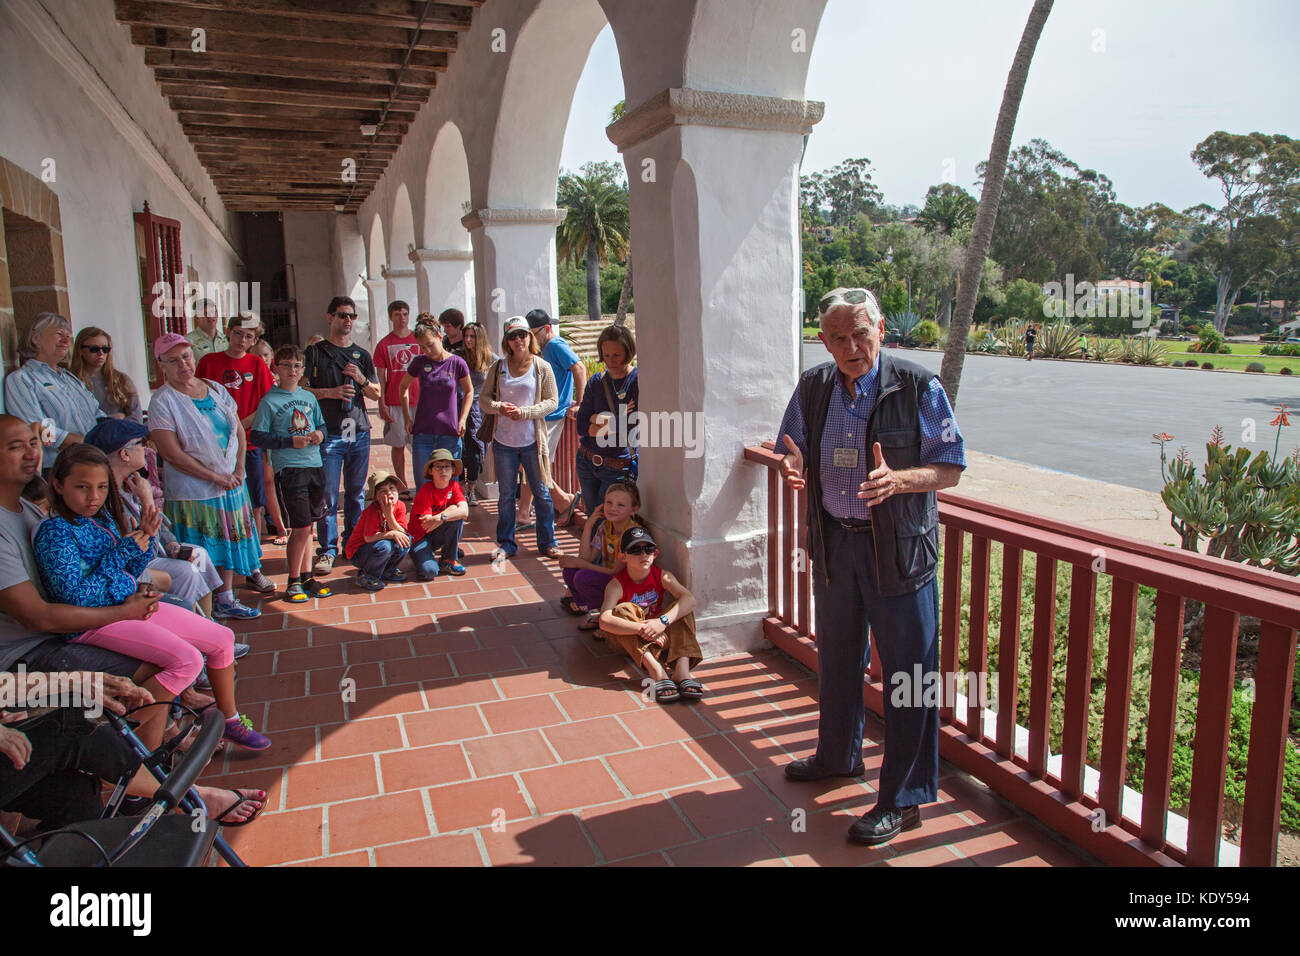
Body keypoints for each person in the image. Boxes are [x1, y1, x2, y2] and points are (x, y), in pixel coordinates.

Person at [775, 286, 965, 847]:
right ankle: (838, 757)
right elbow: (794, 443)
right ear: (823, 339)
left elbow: (950, 466)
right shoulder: (813, 385)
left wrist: (901, 479)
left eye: (860, 332)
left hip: (898, 549)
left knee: (909, 675)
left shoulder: (917, 385)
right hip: (836, 543)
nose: (850, 345)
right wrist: (793, 462)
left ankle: (904, 800)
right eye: (837, 336)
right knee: (836, 659)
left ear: (881, 328)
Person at [32, 443, 270, 752]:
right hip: (94, 623)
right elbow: (74, 595)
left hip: (125, 607)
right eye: (82, 487)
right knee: (186, 660)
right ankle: (138, 754)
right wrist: (124, 554)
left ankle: (229, 718)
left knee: (221, 637)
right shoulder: (56, 532)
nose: (93, 496)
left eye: (102, 487)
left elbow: (130, 570)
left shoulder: (99, 520)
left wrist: (145, 537)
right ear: (58, 484)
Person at [147, 334, 264, 621]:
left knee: (228, 539)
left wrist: (237, 470)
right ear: (161, 365)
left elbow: (237, 429)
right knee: (204, 543)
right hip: (194, 490)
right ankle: (203, 608)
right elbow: (171, 453)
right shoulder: (163, 401)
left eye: (186, 356)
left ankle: (225, 597)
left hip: (231, 482)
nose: (182, 364)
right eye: (173, 360)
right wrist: (214, 477)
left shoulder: (213, 388)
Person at [85, 418, 223, 618]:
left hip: (150, 555)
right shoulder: (104, 496)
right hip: (132, 564)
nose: (146, 446)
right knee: (186, 573)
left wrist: (173, 545)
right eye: (140, 443)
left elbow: (159, 530)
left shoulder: (131, 483)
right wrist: (148, 499)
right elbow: (139, 541)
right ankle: (187, 627)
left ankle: (209, 625)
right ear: (124, 454)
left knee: (199, 555)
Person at [196, 313, 277, 593]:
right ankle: (221, 569)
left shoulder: (256, 363)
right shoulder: (209, 362)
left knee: (252, 504)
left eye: (250, 336)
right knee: (219, 507)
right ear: (228, 333)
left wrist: (240, 427)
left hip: (249, 444)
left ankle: (252, 564)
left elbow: (267, 400)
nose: (243, 340)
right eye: (239, 334)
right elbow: (197, 398)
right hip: (214, 448)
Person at [303, 297, 381, 576]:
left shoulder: (362, 354)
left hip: (357, 430)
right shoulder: (315, 353)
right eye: (341, 315)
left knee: (357, 493)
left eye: (351, 315)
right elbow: (300, 390)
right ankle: (327, 549)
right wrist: (330, 393)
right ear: (329, 317)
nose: (347, 320)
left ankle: (354, 541)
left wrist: (361, 380)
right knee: (327, 494)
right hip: (331, 432)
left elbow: (376, 393)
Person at [249, 345, 332, 604]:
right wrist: (288, 441)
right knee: (299, 526)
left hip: (313, 464)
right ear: (276, 368)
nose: (292, 370)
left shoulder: (308, 397)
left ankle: (307, 576)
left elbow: (321, 425)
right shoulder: (269, 401)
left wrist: (320, 434)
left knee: (309, 527)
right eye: (286, 365)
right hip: (290, 469)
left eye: (297, 366)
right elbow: (258, 435)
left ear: (303, 369)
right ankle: (293, 580)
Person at [479, 316, 560, 561]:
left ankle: (548, 542)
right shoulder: (498, 367)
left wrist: (525, 412)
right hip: (504, 443)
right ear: (507, 341)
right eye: (512, 336)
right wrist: (498, 407)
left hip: (533, 442)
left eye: (522, 334)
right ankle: (506, 543)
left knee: (542, 493)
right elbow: (483, 400)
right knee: (505, 496)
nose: (518, 340)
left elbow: (552, 401)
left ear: (530, 337)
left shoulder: (541, 367)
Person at [597, 526, 705, 706]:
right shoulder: (617, 584)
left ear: (655, 553)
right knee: (624, 609)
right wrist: (644, 628)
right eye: (635, 550)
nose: (643, 555)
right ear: (623, 556)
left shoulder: (662, 576)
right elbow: (604, 620)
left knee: (681, 609)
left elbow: (689, 599)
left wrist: (662, 622)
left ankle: (682, 671)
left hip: (657, 635)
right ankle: (657, 672)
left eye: (648, 549)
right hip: (627, 640)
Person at [3, 312, 103, 475]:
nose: (66, 340)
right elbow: (37, 428)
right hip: (61, 469)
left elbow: (97, 411)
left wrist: (113, 430)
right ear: (35, 337)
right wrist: (86, 444)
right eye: (59, 334)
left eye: (68, 335)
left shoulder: (69, 378)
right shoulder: (23, 379)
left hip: (94, 459)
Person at [521, 309, 584, 525]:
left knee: (536, 463)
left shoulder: (555, 345)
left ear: (546, 329)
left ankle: (564, 500)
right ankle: (524, 511)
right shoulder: (544, 348)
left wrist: (581, 403)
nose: (529, 339)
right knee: (533, 462)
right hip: (542, 414)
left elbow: (580, 368)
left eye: (532, 334)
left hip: (552, 414)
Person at [559, 480, 645, 631]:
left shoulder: (632, 534)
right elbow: (587, 557)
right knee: (570, 571)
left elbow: (616, 572)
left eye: (620, 505)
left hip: (626, 585)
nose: (613, 508)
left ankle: (608, 617)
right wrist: (589, 524)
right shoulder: (605, 527)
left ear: (634, 509)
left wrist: (581, 564)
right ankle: (598, 612)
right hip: (610, 579)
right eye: (609, 503)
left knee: (582, 576)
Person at [399, 317, 472, 492]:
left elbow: (469, 392)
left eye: (430, 344)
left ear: (439, 337)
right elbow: (403, 387)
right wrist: (407, 418)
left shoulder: (457, 363)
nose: (427, 350)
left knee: (449, 487)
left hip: (449, 434)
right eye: (422, 347)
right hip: (423, 434)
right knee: (423, 487)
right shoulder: (419, 362)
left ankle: (449, 519)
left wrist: (462, 419)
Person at [574, 325, 639, 516]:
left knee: (608, 520)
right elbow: (581, 425)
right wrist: (615, 419)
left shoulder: (636, 381)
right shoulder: (596, 381)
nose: (611, 361)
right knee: (593, 518)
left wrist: (596, 419)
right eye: (607, 355)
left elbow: (631, 424)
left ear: (628, 352)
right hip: (586, 460)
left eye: (616, 355)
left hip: (617, 466)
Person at [373, 301, 420, 496]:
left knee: (420, 444)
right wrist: (381, 402)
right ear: (391, 317)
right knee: (398, 444)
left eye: (405, 314)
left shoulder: (419, 340)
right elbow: (381, 378)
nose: (402, 318)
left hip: (420, 400)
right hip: (395, 401)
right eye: (398, 314)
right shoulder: (384, 344)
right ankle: (402, 484)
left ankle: (423, 483)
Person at [407, 449, 468, 580]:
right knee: (429, 572)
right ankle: (419, 553)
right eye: (438, 467)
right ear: (431, 471)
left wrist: (442, 516)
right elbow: (427, 523)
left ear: (452, 470)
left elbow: (464, 512)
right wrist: (450, 510)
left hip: (437, 530)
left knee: (456, 519)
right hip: (421, 537)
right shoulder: (425, 491)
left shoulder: (455, 486)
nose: (443, 471)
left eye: (447, 466)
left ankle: (448, 559)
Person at [345, 471, 410, 591]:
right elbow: (369, 538)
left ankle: (388, 570)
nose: (389, 493)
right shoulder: (372, 511)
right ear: (375, 497)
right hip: (360, 552)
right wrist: (391, 533)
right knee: (385, 546)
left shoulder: (400, 506)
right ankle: (368, 576)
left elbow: (402, 531)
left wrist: (389, 515)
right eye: (383, 491)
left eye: (391, 488)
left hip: (379, 545)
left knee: (406, 540)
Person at [459, 322, 497, 506]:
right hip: (459, 408)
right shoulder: (459, 357)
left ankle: (470, 490)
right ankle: (459, 490)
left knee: (475, 453)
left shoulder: (492, 360)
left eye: (472, 336)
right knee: (459, 450)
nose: (468, 340)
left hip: (480, 411)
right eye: (466, 336)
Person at [70, 327, 143, 422]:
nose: (101, 353)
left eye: (105, 349)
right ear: (80, 350)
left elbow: (136, 417)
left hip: (123, 434)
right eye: (94, 349)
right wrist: (112, 419)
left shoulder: (121, 379)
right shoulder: (70, 381)